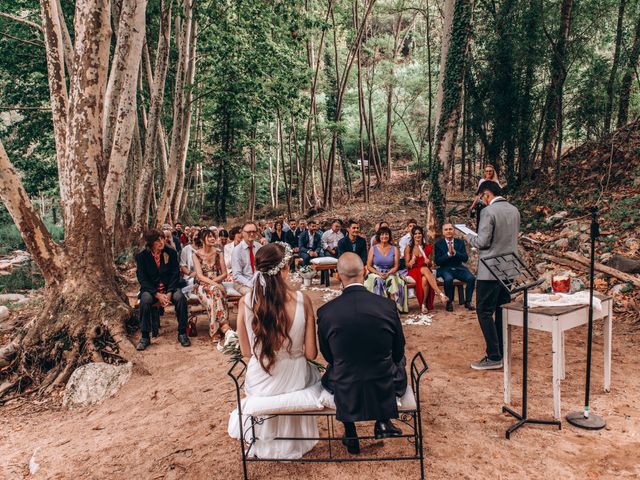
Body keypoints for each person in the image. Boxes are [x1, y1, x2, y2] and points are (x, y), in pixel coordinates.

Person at [229, 243, 321, 459]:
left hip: (262, 376)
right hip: (295, 378)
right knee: (311, 374)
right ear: (284, 269)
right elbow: (311, 354)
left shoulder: (246, 301)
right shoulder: (302, 299)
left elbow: (245, 351)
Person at [318, 253, 407, 455]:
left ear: (338, 276)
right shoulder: (387, 306)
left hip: (345, 381)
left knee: (339, 367)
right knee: (397, 359)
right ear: (365, 272)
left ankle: (351, 433)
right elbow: (398, 349)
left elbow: (328, 356)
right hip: (384, 380)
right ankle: (383, 421)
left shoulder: (326, 312)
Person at [466, 180, 519, 371]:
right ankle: (502, 351)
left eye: (482, 198)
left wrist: (467, 235)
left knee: (484, 311)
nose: (482, 201)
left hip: (489, 270)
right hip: (509, 268)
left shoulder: (488, 212)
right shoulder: (514, 210)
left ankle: (494, 355)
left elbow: (482, 242)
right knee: (501, 310)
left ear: (486, 194)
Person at [136, 229, 190, 350]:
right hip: (151, 290)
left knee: (180, 298)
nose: (161, 242)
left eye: (162, 238)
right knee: (144, 300)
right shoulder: (142, 256)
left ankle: (182, 333)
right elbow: (142, 279)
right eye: (157, 240)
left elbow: (175, 274)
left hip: (170, 287)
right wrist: (157, 294)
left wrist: (169, 292)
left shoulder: (170, 252)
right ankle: (145, 337)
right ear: (151, 243)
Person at [192, 229, 233, 350]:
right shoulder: (196, 254)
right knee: (216, 291)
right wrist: (216, 285)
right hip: (201, 285)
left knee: (212, 299)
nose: (212, 238)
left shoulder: (219, 252)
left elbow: (224, 274)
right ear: (201, 240)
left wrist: (216, 284)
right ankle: (224, 326)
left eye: (213, 236)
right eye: (209, 237)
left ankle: (215, 332)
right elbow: (199, 276)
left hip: (216, 285)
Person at [404, 226, 448, 314]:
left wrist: (428, 262)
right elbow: (407, 265)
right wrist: (411, 262)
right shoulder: (409, 247)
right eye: (415, 234)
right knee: (424, 269)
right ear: (412, 235)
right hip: (414, 271)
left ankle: (423, 304)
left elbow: (431, 265)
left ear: (422, 235)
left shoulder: (427, 247)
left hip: (426, 272)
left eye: (419, 233)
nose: (417, 235)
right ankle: (440, 293)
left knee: (424, 279)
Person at [364, 227, 408, 313]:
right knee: (378, 280)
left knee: (392, 279)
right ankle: (379, 308)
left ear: (389, 236)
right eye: (382, 234)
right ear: (379, 236)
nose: (384, 236)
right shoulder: (373, 248)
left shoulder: (394, 249)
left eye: (386, 234)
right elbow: (369, 266)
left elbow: (396, 266)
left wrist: (388, 273)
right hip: (376, 271)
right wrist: (378, 273)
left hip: (390, 271)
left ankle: (393, 308)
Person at [434, 223, 476, 312]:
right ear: (443, 232)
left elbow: (465, 258)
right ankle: (449, 302)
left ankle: (468, 302)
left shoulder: (459, 242)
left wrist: (456, 253)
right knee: (448, 279)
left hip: (458, 267)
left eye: (450, 229)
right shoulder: (438, 244)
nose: (448, 231)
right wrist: (448, 254)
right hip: (445, 268)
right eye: (446, 230)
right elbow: (437, 261)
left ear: (453, 231)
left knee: (471, 278)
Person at [231, 222, 263, 295]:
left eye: (254, 231)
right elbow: (237, 275)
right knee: (253, 294)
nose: (252, 234)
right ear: (242, 233)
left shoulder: (259, 247)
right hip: (242, 283)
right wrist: (251, 284)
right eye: (249, 232)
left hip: (258, 281)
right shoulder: (237, 250)